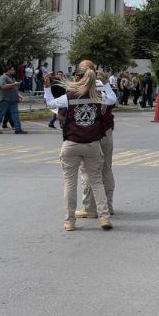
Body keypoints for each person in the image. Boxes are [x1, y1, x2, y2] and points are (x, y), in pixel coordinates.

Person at [44, 64, 117, 231]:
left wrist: (47, 87)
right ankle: (104, 217)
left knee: (70, 184)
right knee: (97, 182)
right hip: (92, 144)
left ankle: (69, 221)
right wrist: (105, 84)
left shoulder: (69, 96)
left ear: (76, 79)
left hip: (71, 143)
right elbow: (113, 100)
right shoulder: (98, 95)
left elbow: (50, 103)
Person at [72, 62, 117, 220]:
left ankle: (90, 207)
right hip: (107, 133)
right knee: (106, 169)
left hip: (91, 135)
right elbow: (112, 101)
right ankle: (108, 205)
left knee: (88, 172)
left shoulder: (82, 89)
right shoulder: (103, 86)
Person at [0, 66, 26, 134]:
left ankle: (18, 129)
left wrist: (20, 96)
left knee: (15, 114)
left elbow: (14, 89)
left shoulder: (12, 78)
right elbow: (3, 86)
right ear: (8, 70)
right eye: (12, 70)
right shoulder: (3, 77)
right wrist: (14, 84)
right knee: (1, 114)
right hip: (5, 99)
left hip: (13, 99)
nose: (14, 71)